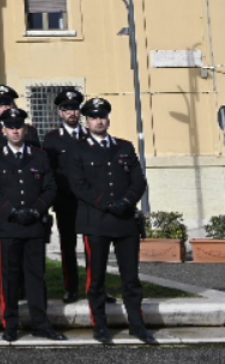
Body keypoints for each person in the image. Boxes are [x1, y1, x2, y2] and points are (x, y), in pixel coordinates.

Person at [67, 97, 156, 345]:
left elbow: (139, 181)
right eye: (94, 117)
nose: (99, 121)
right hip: (96, 221)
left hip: (125, 221)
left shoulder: (124, 147)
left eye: (102, 116)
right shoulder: (77, 149)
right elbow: (78, 185)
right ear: (87, 121)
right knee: (96, 278)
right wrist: (107, 203)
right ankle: (100, 326)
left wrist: (125, 202)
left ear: (108, 119)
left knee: (131, 278)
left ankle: (137, 326)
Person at [0, 107, 66, 342]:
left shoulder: (39, 156)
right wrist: (12, 211)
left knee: (35, 276)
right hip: (8, 226)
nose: (15, 130)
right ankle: (9, 325)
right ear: (3, 130)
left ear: (25, 128)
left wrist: (36, 209)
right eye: (10, 127)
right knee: (9, 277)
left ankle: (40, 323)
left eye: (19, 126)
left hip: (34, 225)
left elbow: (50, 187)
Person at [41, 88, 89, 304]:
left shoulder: (89, 136)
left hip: (88, 202)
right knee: (67, 246)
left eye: (75, 108)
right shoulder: (52, 140)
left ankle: (94, 287)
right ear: (60, 113)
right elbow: (49, 172)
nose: (72, 112)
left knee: (93, 246)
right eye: (66, 109)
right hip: (65, 201)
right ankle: (71, 288)